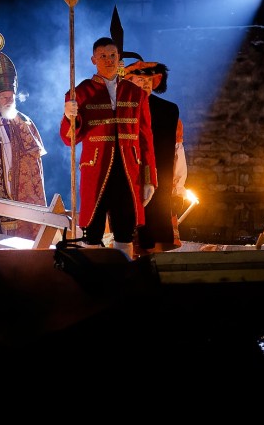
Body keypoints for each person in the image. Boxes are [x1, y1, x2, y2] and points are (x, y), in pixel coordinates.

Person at [62, 36, 156, 259]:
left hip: (128, 170)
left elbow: (145, 139)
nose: (108, 60)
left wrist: (149, 177)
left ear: (119, 58)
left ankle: (123, 281)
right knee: (92, 230)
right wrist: (69, 116)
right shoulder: (79, 94)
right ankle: (91, 280)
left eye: (112, 55)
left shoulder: (136, 94)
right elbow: (70, 140)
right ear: (94, 59)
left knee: (125, 229)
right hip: (96, 168)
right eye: (103, 56)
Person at [0, 44, 48, 241]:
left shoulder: (24, 122)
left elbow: (34, 165)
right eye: (5, 97)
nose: (9, 101)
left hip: (19, 191)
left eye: (11, 97)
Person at [124, 59, 187, 254]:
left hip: (160, 183)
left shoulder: (168, 111)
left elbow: (177, 152)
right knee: (124, 236)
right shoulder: (120, 109)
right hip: (127, 181)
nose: (144, 84)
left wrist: (178, 189)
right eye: (139, 80)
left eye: (148, 81)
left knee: (156, 238)